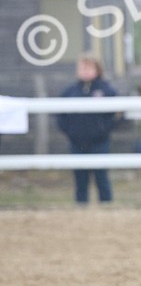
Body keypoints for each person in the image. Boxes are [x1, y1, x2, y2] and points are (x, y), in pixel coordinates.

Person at [57, 55, 118, 204]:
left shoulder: (107, 90)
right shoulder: (70, 92)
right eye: (82, 68)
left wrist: (104, 129)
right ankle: (81, 206)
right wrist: (70, 132)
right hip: (77, 142)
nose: (84, 71)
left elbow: (117, 114)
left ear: (97, 69)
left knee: (101, 176)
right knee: (80, 178)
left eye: (88, 67)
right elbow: (60, 114)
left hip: (99, 142)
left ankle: (106, 205)